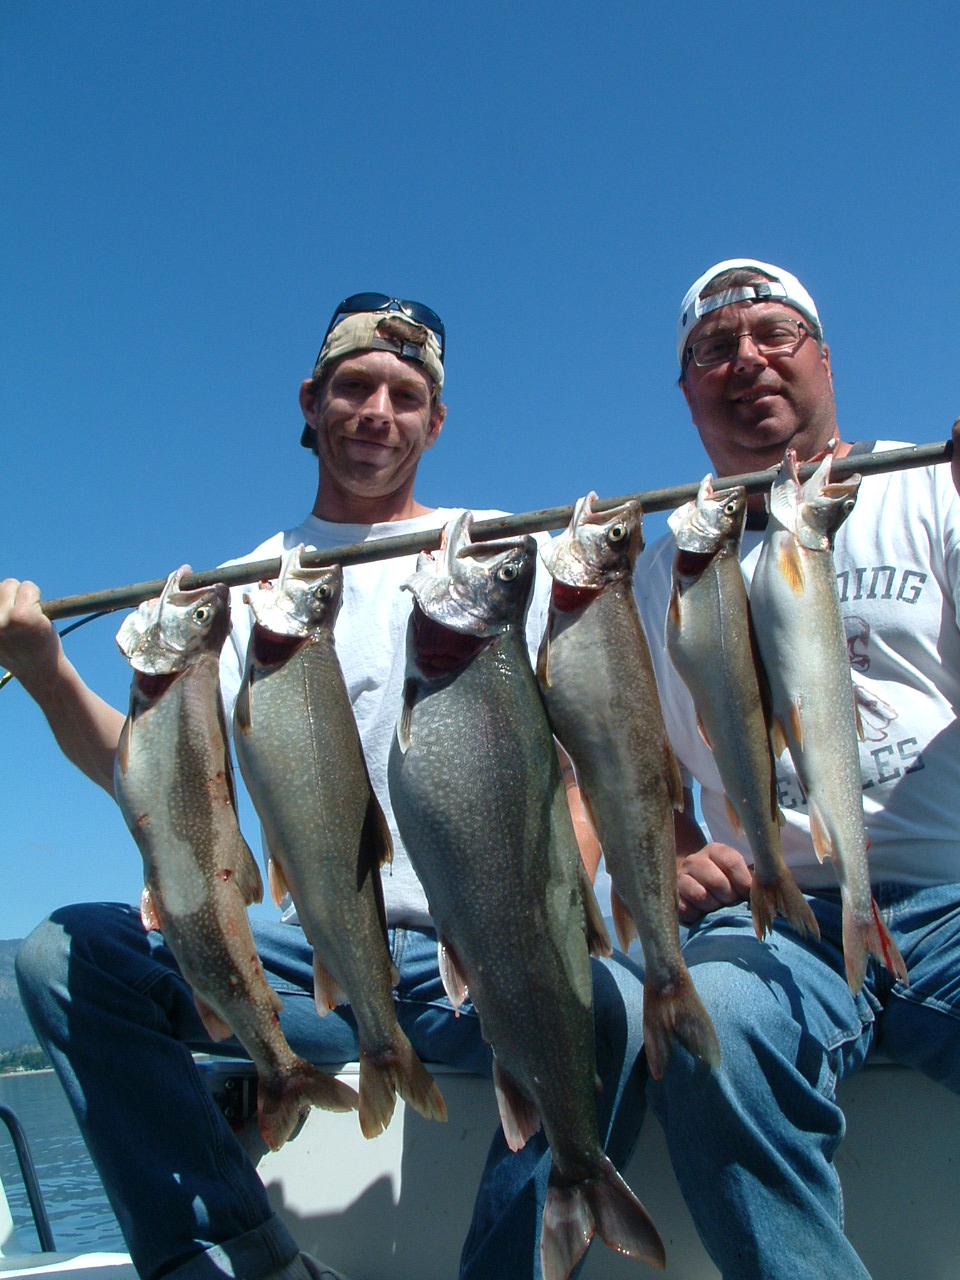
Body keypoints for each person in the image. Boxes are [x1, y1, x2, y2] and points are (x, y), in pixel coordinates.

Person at [7, 294, 646, 1280]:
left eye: (405, 392)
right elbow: (151, 775)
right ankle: (240, 1254)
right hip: (306, 951)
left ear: (435, 421)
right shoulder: (248, 585)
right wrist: (47, 671)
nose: (375, 409)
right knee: (63, 955)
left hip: (464, 948)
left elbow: (577, 777)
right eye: (353, 386)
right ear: (312, 401)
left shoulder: (497, 557)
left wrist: (543, 918)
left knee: (614, 1009)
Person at [635, 258, 960, 1279]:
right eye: (713, 350)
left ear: (824, 356)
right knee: (709, 1026)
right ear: (686, 390)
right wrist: (680, 851)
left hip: (953, 896)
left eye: (774, 334)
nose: (747, 361)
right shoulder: (659, 567)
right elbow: (639, 762)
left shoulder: (932, 485)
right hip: (777, 918)